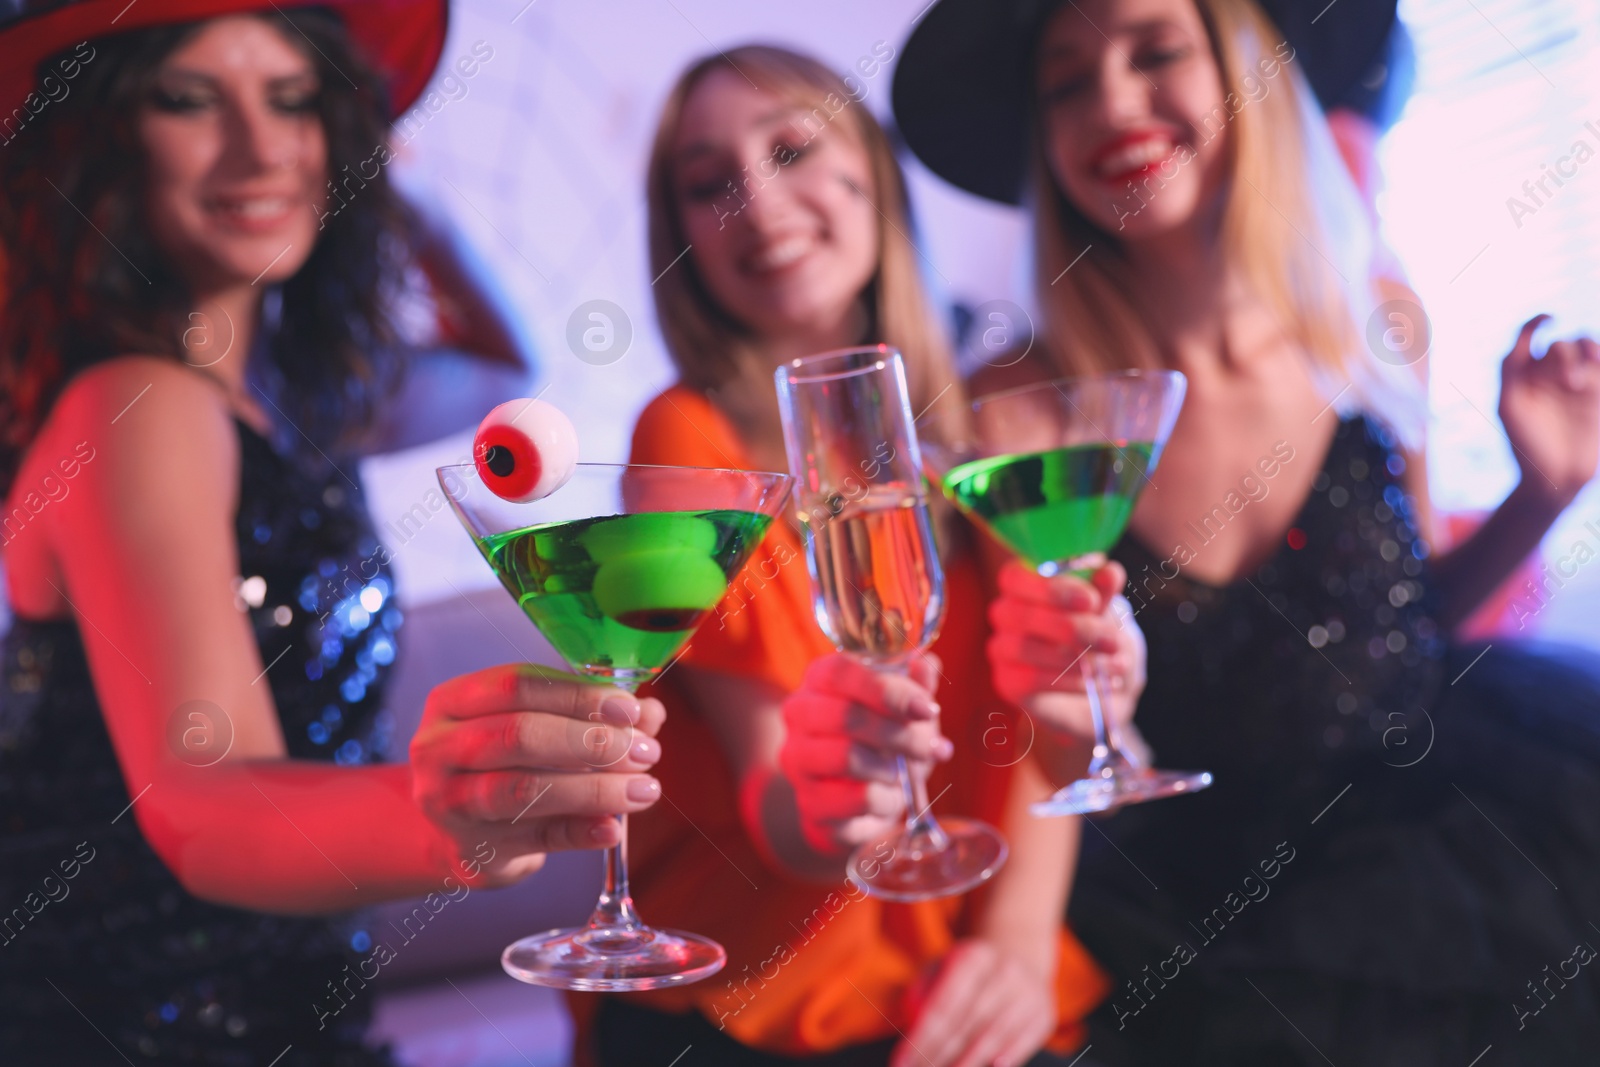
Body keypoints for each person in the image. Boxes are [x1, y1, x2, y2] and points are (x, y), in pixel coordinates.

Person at [892, 0, 1600, 1063]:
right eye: (1066, 81)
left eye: (1155, 49)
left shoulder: (1379, 320)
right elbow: (1055, 713)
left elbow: (1409, 611)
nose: (1113, 103)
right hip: (1192, 876)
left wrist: (1539, 497)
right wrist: (1015, 931)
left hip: (1437, 805)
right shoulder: (1020, 410)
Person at [0, 3, 667, 1063]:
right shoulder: (136, 409)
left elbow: (502, 368)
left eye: (296, 100)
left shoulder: (288, 403)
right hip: (151, 1027)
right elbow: (202, 799)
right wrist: (448, 809)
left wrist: (379, 191)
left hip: (289, 1005)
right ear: (103, 137)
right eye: (188, 100)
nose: (261, 147)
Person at [571, 45, 1111, 1067]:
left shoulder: (996, 407)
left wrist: (1017, 942)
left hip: (965, 959)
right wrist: (839, 792)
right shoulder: (685, 440)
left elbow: (1055, 723)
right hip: (760, 988)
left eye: (790, 149)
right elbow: (780, 809)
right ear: (678, 233)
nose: (758, 202)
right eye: (708, 183)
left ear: (873, 174)